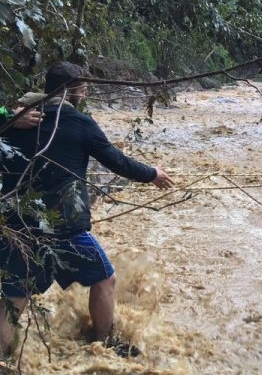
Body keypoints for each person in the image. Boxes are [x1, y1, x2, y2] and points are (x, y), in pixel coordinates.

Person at [0, 62, 175, 359]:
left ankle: (3, 363)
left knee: (14, 298)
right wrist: (152, 174)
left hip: (18, 226)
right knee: (105, 279)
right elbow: (118, 162)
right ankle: (104, 343)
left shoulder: (18, 118)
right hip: (65, 228)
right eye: (84, 87)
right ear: (76, 90)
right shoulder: (80, 124)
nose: (86, 92)